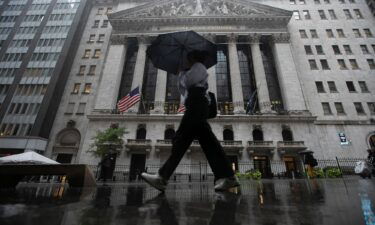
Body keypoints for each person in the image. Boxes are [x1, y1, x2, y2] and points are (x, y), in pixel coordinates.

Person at [141, 50, 239, 192]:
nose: (186, 61)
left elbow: (188, 83)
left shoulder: (199, 67)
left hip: (197, 102)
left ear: (193, 57)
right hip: (194, 103)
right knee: (203, 141)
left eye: (187, 58)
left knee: (182, 139)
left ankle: (162, 177)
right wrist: (182, 73)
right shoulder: (193, 69)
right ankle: (228, 176)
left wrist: (182, 72)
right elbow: (183, 90)